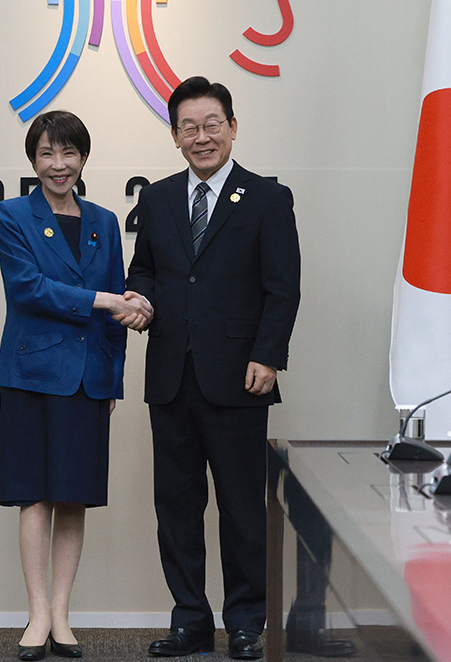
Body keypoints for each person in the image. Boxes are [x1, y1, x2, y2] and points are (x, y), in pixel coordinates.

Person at [122, 77, 301, 660]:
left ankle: (247, 621)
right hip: (171, 376)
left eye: (212, 124)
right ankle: (189, 620)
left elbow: (283, 289)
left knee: (243, 507)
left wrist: (269, 356)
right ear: (174, 135)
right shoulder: (158, 199)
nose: (202, 137)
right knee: (175, 507)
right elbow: (143, 269)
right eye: (189, 127)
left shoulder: (268, 198)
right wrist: (139, 299)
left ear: (231, 126)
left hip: (241, 377)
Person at [0, 110, 150, 661]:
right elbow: (29, 290)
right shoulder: (10, 215)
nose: (58, 165)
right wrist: (109, 301)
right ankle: (36, 614)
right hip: (31, 375)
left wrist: (112, 377)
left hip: (88, 379)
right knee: (33, 497)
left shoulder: (106, 221)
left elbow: (120, 310)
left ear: (83, 158)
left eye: (69, 154)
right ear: (33, 160)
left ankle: (61, 613)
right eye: (46, 154)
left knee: (74, 498)